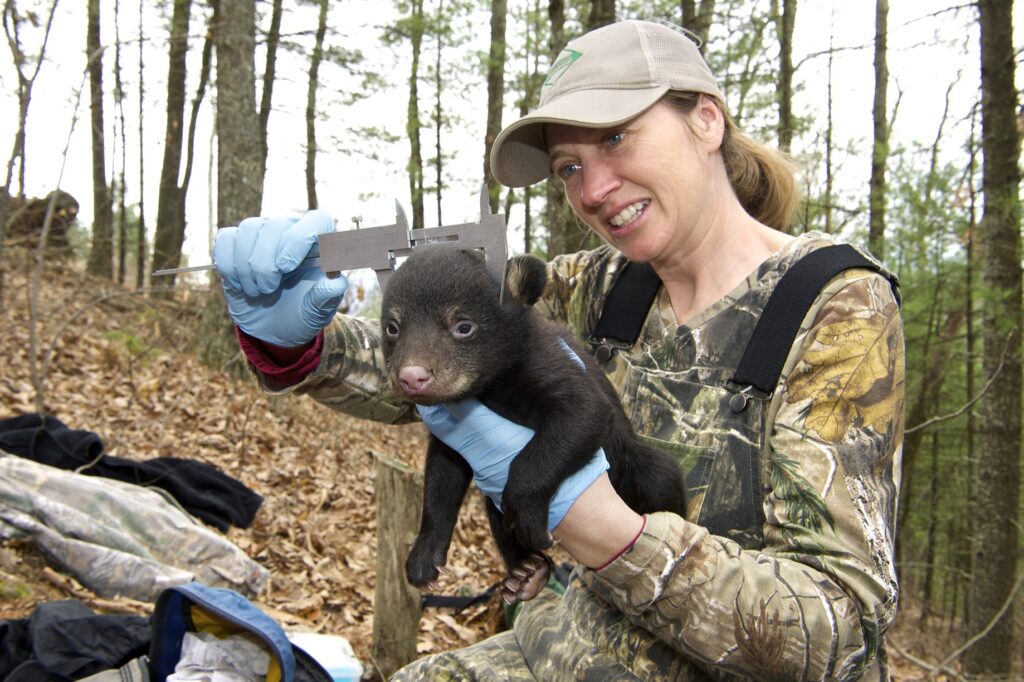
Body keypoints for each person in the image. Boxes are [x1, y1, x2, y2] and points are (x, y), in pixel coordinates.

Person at [214, 19, 904, 681]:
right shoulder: (605, 286)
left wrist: (616, 538)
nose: (594, 190)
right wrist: (297, 341)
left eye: (617, 138)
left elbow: (838, 628)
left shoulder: (831, 307)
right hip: (557, 651)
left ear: (705, 120)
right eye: (571, 165)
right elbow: (443, 366)